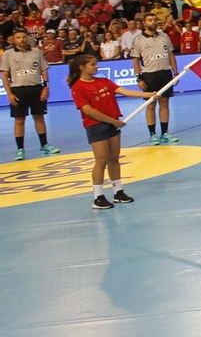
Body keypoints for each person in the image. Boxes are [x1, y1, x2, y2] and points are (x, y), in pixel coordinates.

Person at [66, 53, 157, 210]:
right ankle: (98, 196)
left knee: (114, 158)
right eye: (93, 64)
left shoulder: (103, 81)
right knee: (101, 160)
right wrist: (112, 121)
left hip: (112, 124)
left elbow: (124, 91)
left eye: (96, 64)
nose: (97, 67)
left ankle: (118, 192)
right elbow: (88, 111)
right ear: (82, 68)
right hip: (96, 126)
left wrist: (148, 94)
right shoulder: (78, 88)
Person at [3, 28, 61, 160]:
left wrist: (46, 87)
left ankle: (44, 145)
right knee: (19, 120)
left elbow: (44, 70)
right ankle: (20, 149)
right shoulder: (8, 54)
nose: (22, 40)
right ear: (14, 39)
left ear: (28, 38)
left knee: (39, 117)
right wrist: (9, 93)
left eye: (24, 37)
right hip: (18, 90)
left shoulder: (37, 52)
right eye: (18, 37)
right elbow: (5, 75)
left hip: (36, 89)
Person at [132, 12, 179, 145]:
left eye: (155, 20)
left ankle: (165, 133)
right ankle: (152, 134)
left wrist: (175, 73)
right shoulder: (138, 39)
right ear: (144, 23)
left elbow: (171, 55)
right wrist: (139, 78)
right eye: (150, 20)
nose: (153, 22)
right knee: (151, 105)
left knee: (165, 103)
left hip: (165, 74)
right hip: (149, 75)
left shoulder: (164, 36)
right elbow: (135, 60)